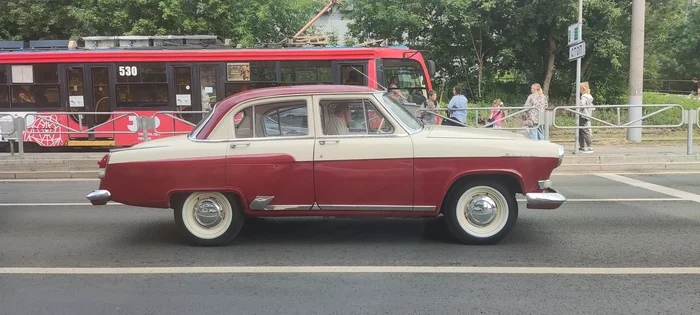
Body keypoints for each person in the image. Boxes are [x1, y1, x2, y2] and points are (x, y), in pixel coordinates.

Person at [578, 82, 595, 153]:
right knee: (580, 130)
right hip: (586, 114)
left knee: (585, 131)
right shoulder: (589, 96)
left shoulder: (584, 97)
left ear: (582, 89)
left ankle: (590, 147)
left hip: (583, 115)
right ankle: (582, 146)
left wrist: (578, 104)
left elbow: (582, 104)